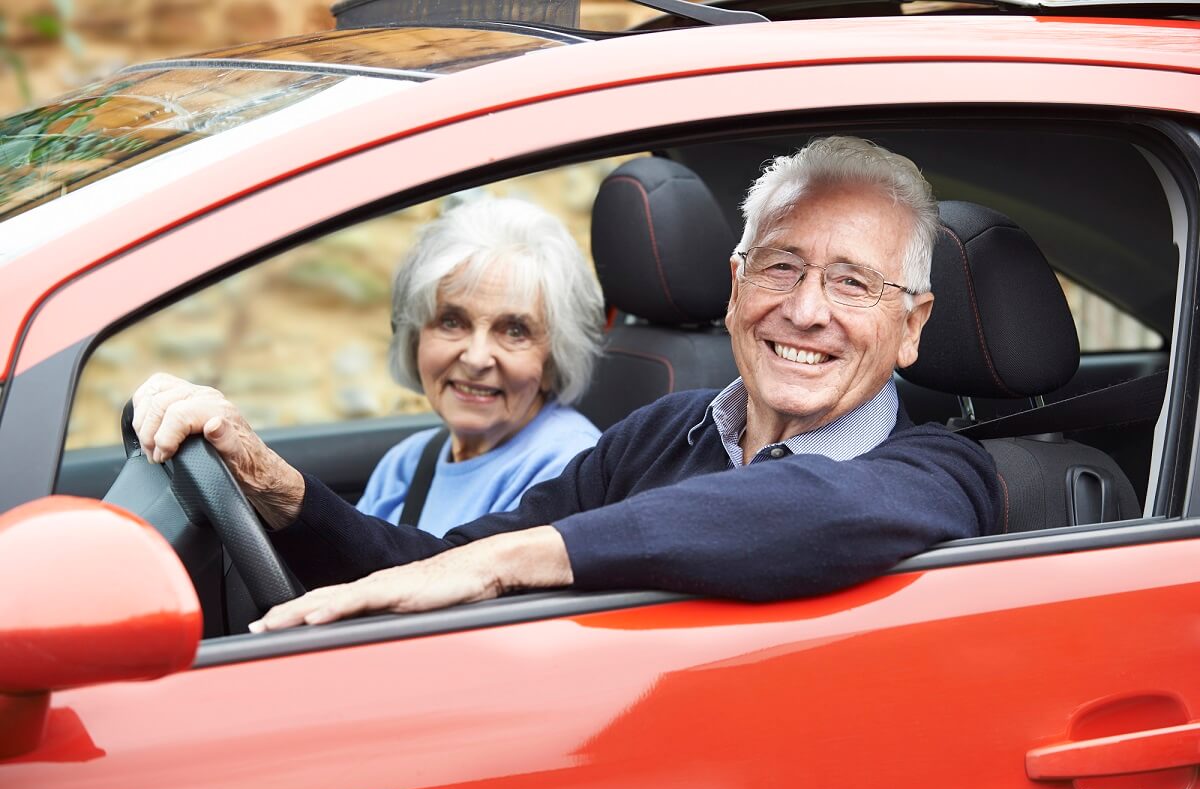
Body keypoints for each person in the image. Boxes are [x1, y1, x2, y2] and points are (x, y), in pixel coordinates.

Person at [131, 136, 1002, 632]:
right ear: (736, 289)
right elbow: (437, 568)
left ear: (914, 326)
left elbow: (806, 507)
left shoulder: (940, 474)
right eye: (780, 267)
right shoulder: (663, 433)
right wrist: (274, 486)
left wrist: (516, 564)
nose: (807, 310)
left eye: (853, 283)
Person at [356, 196, 603, 535]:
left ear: (555, 358)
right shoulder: (407, 462)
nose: (475, 358)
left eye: (515, 330)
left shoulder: (569, 472)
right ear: (414, 336)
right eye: (451, 322)